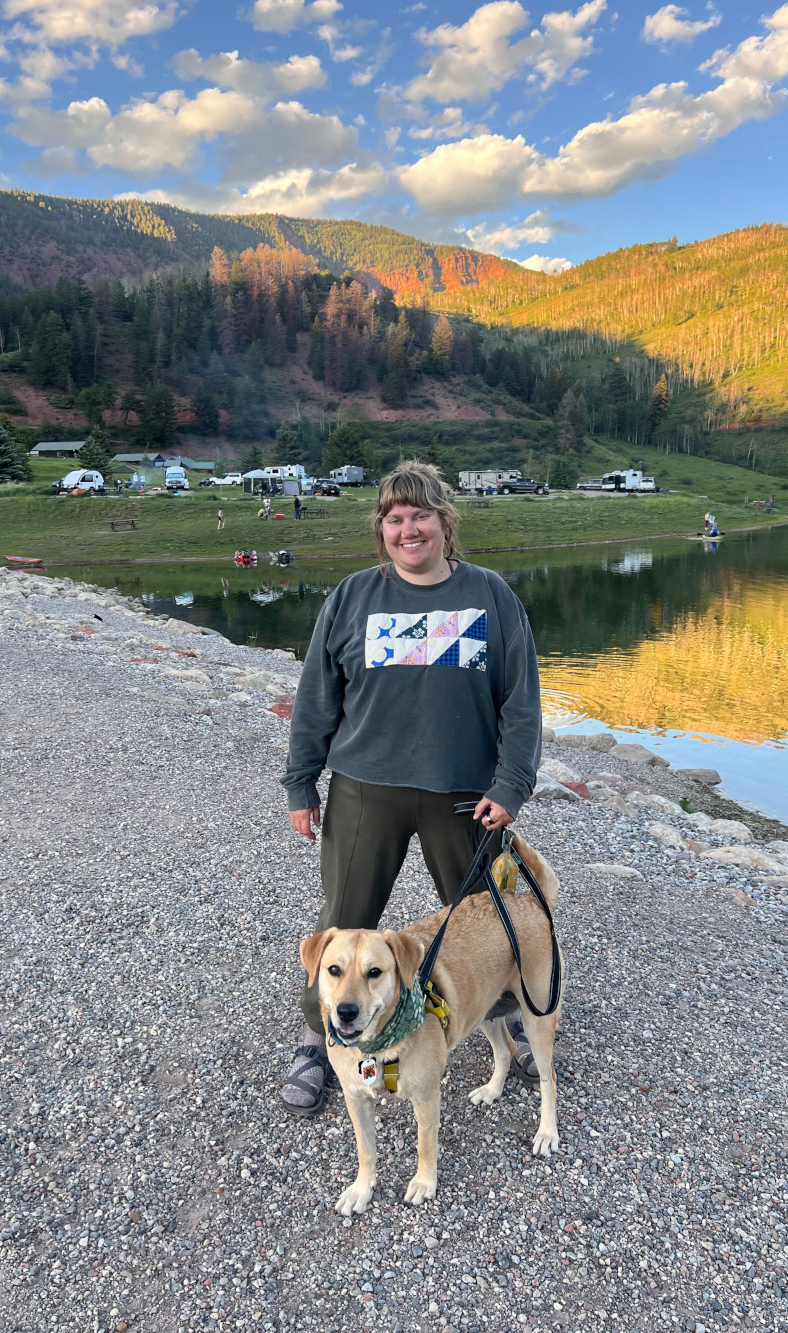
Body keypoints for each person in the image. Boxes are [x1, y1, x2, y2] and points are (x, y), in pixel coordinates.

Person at [279, 461, 543, 1115]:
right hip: (366, 791)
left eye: (421, 515)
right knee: (343, 923)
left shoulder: (490, 596)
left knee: (490, 917)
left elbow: (521, 701)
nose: (409, 529)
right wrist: (300, 783)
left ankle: (511, 1022)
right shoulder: (351, 600)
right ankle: (319, 1041)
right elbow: (316, 698)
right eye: (395, 519)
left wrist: (511, 782)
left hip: (465, 796)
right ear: (382, 530)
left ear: (444, 523)